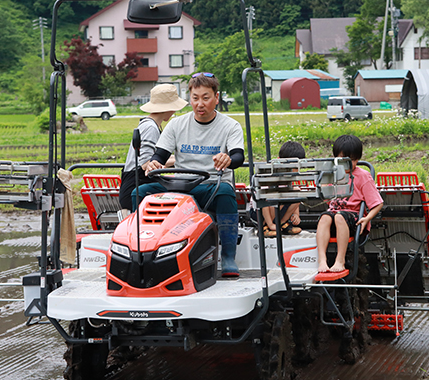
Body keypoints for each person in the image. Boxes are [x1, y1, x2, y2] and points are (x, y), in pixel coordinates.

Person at [132, 72, 245, 277]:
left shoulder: (230, 126)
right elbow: (160, 155)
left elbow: (238, 156)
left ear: (216, 98)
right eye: (195, 98)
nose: (200, 104)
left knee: (226, 192)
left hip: (211, 184)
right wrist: (154, 163)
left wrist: (228, 159)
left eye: (206, 98)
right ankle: (140, 250)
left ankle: (228, 256)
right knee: (140, 192)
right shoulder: (177, 124)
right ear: (189, 98)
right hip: (180, 186)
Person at [316, 135, 383, 273]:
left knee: (339, 216)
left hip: (353, 219)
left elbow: (377, 203)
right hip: (334, 216)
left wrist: (367, 218)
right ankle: (322, 260)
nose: (347, 165)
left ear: (357, 159)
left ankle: (340, 260)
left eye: (352, 160)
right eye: (343, 160)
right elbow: (326, 200)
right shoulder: (333, 174)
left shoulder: (363, 176)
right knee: (325, 217)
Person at [119, 84, 187, 212]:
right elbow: (146, 164)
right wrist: (181, 159)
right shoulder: (151, 128)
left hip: (133, 186)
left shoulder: (149, 124)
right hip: (137, 190)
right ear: (168, 108)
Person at [250, 141, 305, 237]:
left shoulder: (289, 178)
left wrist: (296, 214)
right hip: (260, 213)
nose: (295, 169)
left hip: (277, 211)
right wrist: (270, 224)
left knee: (297, 192)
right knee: (269, 197)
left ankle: (281, 224)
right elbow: (262, 199)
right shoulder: (270, 175)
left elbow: (293, 194)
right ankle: (265, 227)